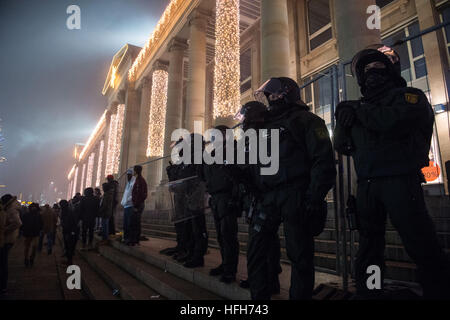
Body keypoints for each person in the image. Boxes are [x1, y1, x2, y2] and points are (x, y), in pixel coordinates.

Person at [333, 44, 450, 299]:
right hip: (367, 184)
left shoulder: (410, 96)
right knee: (369, 246)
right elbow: (341, 145)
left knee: (420, 242)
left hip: (399, 180)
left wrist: (357, 110)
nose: (372, 73)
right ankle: (370, 292)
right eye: (367, 69)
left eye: (378, 67)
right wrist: (342, 118)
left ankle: (439, 291)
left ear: (390, 70)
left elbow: (391, 122)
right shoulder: (357, 107)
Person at [244, 77, 336, 300]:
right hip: (268, 197)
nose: (271, 99)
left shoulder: (307, 121)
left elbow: (323, 160)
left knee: (300, 255)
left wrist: (314, 197)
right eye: (269, 96)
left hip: (296, 194)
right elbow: (257, 165)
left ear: (288, 94)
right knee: (256, 250)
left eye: (275, 94)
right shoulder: (264, 127)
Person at [235, 101, 283, 295]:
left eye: (245, 119)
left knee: (256, 250)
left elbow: (266, 172)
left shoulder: (266, 137)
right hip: (258, 199)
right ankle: (270, 283)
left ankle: (261, 291)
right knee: (269, 244)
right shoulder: (256, 138)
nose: (243, 124)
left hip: (267, 200)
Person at [200, 125, 240, 284]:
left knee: (228, 235)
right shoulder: (213, 153)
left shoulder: (234, 150)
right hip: (216, 198)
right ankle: (225, 264)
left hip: (227, 197)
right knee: (221, 236)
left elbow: (237, 176)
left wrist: (235, 197)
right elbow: (205, 175)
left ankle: (230, 270)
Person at [0, 194, 22, 294]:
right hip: (7, 238)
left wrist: (5, 230)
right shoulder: (9, 209)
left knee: (3, 263)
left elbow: (18, 223)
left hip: (7, 239)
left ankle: (3, 285)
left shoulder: (11, 210)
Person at [129, 165, 147, 246]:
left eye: (133, 170)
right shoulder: (138, 180)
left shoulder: (140, 181)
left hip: (138, 204)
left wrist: (136, 205)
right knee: (135, 222)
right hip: (137, 203)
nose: (133, 172)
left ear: (136, 171)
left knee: (135, 223)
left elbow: (141, 194)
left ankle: (134, 240)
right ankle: (135, 240)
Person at [21, 203, 42, 267]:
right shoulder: (26, 215)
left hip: (35, 233)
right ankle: (26, 259)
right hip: (28, 233)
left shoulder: (38, 215)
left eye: (34, 207)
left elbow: (41, 224)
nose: (34, 208)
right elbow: (22, 223)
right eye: (32, 207)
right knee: (28, 247)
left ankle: (31, 259)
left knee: (33, 247)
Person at [59, 200, 80, 265]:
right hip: (67, 231)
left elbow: (74, 223)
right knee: (68, 247)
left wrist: (72, 232)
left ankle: (70, 261)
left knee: (70, 247)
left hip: (71, 232)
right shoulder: (65, 211)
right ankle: (69, 260)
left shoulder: (69, 212)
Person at [121, 168, 135, 245]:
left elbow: (132, 194)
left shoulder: (134, 181)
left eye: (129, 175)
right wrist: (123, 202)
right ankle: (125, 237)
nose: (128, 176)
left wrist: (126, 201)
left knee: (129, 223)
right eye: (127, 175)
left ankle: (129, 238)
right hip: (126, 206)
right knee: (125, 223)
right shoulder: (128, 182)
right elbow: (126, 194)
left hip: (130, 205)